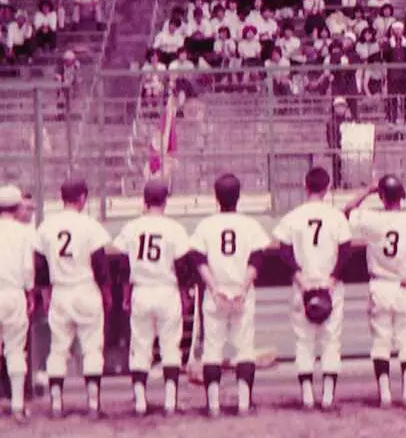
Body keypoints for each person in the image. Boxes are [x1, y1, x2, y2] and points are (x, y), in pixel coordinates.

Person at [187, 173, 270, 416]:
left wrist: (214, 288)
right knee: (244, 349)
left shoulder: (206, 225)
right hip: (241, 292)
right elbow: (258, 258)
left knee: (212, 350)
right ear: (239, 196)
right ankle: (244, 404)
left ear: (216, 197)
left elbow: (198, 259)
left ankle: (213, 406)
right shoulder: (249, 224)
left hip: (216, 293)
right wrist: (243, 288)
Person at [344, 175, 406, 408]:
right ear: (402, 196)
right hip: (404, 286)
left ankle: (385, 395)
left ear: (381, 196)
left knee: (381, 342)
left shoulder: (372, 220)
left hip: (380, 285)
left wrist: (368, 190)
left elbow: (346, 211)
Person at [273, 167, 353, 410]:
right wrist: (333, 277)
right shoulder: (336, 216)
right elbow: (346, 251)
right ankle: (327, 397)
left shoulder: (293, 216)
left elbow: (283, 250)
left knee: (303, 341)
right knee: (331, 341)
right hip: (330, 286)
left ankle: (307, 397)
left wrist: (299, 277)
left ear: (305, 186)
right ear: (328, 188)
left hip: (303, 285)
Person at [111, 180, 191, 416]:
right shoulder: (174, 228)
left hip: (142, 290)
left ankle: (139, 402)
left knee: (141, 346)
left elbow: (122, 267)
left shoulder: (131, 227)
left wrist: (125, 295)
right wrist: (186, 294)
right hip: (167, 289)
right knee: (170, 346)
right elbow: (182, 266)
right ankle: (169, 401)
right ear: (165, 201)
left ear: (144, 201)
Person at [35, 179, 111, 417]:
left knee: (58, 348)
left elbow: (40, 268)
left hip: (61, 291)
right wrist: (106, 293)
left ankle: (56, 404)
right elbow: (101, 265)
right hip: (86, 288)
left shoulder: (47, 226)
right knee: (92, 348)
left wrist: (46, 296)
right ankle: (93, 403)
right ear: (82, 198)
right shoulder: (90, 225)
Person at [0, 185, 36, 421]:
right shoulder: (24, 232)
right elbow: (27, 268)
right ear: (17, 207)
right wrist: (30, 293)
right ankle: (17, 405)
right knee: (15, 350)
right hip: (13, 294)